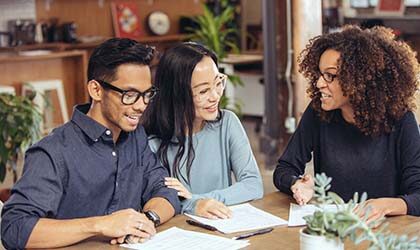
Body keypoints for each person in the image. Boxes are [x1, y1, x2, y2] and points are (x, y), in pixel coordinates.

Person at [1, 38, 180, 249]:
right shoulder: (53, 151)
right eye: (130, 95)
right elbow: (14, 227)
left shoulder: (135, 137)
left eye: (147, 94)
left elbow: (165, 190)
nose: (141, 106)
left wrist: (146, 220)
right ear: (96, 90)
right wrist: (100, 225)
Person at [273, 25, 420, 224]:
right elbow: (284, 168)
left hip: (385, 234)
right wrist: (296, 183)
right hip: (334, 230)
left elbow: (418, 195)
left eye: (330, 76)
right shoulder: (318, 113)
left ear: (359, 80)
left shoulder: (401, 120)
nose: (318, 83)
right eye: (319, 73)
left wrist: (384, 205)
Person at [142, 42, 263, 219]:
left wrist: (196, 200)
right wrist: (193, 205)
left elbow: (253, 185)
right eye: (204, 91)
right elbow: (155, 201)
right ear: (176, 95)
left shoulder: (227, 123)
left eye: (218, 83)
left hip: (223, 226)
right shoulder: (151, 143)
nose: (214, 96)